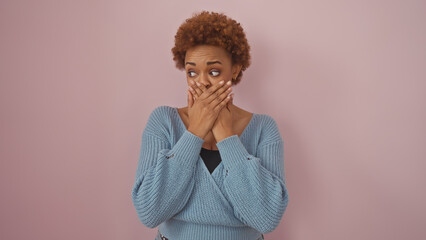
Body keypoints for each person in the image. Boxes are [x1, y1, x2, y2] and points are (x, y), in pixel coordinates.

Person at [131, 11, 289, 240]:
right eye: (192, 72)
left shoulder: (263, 128)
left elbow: (266, 217)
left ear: (234, 69)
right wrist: (194, 132)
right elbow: (149, 212)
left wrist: (226, 136)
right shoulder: (163, 122)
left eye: (214, 71)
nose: (202, 81)